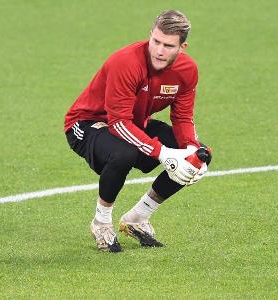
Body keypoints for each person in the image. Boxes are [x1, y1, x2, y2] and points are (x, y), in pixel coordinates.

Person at [64, 10, 212, 252]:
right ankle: (101, 222)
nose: (159, 50)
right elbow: (118, 122)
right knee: (124, 154)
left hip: (134, 122)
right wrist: (163, 153)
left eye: (168, 45)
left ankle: (138, 218)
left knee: (196, 157)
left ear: (182, 46)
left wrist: (192, 149)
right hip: (87, 123)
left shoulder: (187, 71)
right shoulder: (126, 62)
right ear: (150, 36)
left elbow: (183, 117)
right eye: (156, 41)